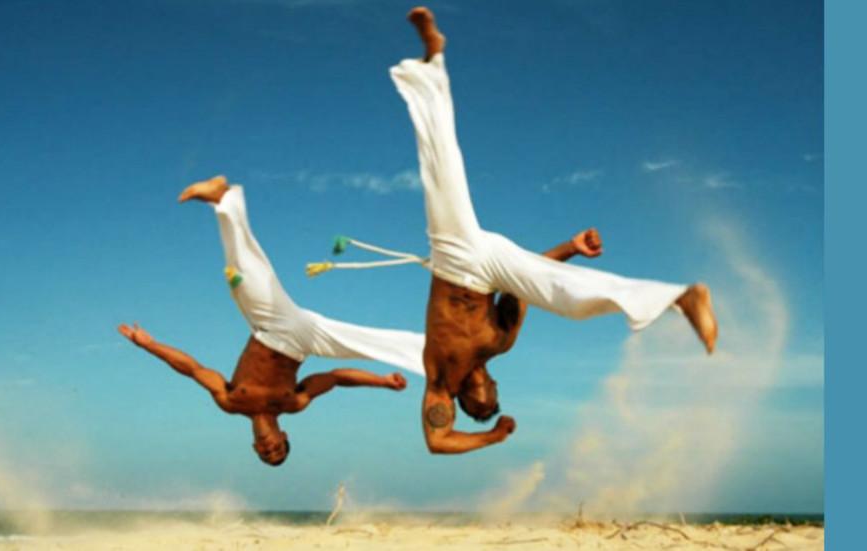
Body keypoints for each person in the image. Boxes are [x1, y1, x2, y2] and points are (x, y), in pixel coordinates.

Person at [390, 7, 718, 454]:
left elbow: (437, 442)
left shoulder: (441, 379)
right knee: (568, 300)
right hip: (493, 266)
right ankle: (681, 296)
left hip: (455, 260)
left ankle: (432, 62)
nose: (486, 391)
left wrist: (488, 435)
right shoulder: (501, 340)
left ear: (465, 397)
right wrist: (573, 248)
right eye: (493, 397)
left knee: (441, 164)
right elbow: (533, 281)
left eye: (481, 399)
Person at [119, 176, 425, 466]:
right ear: (283, 435)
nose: (269, 447)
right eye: (277, 448)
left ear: (256, 448)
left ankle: (223, 198)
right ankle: (441, 356)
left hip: (271, 327)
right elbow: (335, 378)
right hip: (304, 340)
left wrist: (150, 345)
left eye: (266, 453)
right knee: (371, 344)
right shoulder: (293, 403)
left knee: (243, 279)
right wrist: (382, 382)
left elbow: (194, 370)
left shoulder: (232, 402)